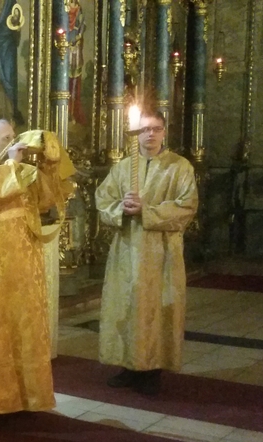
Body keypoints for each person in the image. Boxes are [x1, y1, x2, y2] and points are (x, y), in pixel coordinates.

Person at [0, 120, 71, 414]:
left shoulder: (21, 170)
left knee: (26, 328)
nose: (14, 141)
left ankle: (26, 397)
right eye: (6, 138)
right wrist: (11, 164)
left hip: (26, 265)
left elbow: (45, 201)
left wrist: (48, 165)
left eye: (14, 136)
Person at [96, 111, 198, 395]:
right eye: (144, 129)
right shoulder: (123, 168)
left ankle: (153, 368)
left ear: (164, 132)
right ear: (136, 134)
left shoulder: (179, 166)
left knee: (156, 309)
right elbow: (103, 200)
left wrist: (147, 210)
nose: (150, 134)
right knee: (127, 306)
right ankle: (129, 364)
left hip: (160, 252)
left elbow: (187, 206)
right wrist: (121, 208)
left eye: (156, 128)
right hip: (127, 249)